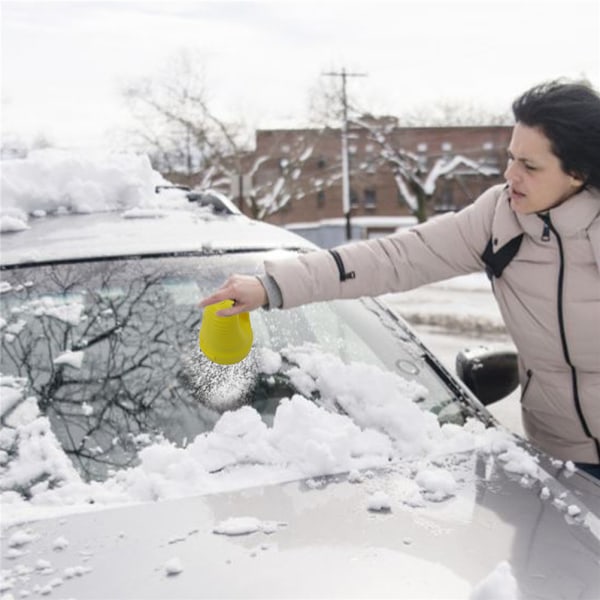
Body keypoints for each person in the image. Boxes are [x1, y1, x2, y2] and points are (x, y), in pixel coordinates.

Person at [200, 80, 600, 480]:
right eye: (511, 157)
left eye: (529, 166)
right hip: (556, 456)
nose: (510, 175)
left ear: (577, 174)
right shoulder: (499, 218)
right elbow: (396, 257)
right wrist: (272, 286)